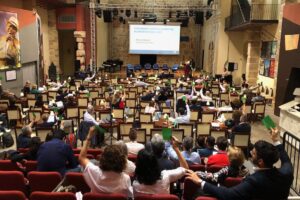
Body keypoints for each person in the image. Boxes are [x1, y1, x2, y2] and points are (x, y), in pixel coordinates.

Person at [186, 128, 294, 200]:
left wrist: (200, 182)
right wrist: (276, 140)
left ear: (260, 161)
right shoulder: (286, 173)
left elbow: (228, 195)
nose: (251, 153)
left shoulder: (254, 181)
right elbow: (286, 160)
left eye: (254, 153)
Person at [79, 127, 133, 197]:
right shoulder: (125, 179)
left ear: (102, 158)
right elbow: (129, 196)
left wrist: (89, 136)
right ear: (122, 161)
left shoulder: (94, 172)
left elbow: (82, 157)